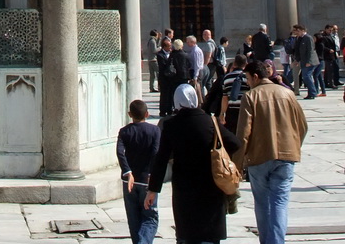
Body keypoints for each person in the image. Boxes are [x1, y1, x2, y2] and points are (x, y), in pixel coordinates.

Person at [145, 83, 240, 244]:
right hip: (211, 185)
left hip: (185, 188)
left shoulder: (171, 125)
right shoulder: (211, 121)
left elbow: (161, 160)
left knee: (188, 235)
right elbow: (235, 143)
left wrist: (153, 190)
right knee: (210, 235)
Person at [234, 59, 308, 244]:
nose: (247, 82)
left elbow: (243, 134)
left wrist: (237, 163)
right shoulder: (287, 93)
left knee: (262, 202)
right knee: (280, 202)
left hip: (259, 157)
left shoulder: (250, 97)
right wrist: (293, 146)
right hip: (286, 156)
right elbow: (303, 126)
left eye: (248, 79)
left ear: (256, 77)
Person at [116, 99, 160, 244]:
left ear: (130, 114)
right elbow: (155, 153)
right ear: (147, 114)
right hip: (147, 180)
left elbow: (120, 153)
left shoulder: (124, 132)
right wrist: (151, 174)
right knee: (150, 217)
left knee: (133, 218)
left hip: (129, 180)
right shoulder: (154, 131)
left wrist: (127, 172)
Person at [220, 53, 249, 134]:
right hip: (245, 109)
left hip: (231, 111)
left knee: (232, 134)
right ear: (246, 64)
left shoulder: (227, 77)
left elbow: (225, 97)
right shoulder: (247, 76)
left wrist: (222, 113)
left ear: (234, 64)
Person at [291, 24, 318, 99]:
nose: (296, 32)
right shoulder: (299, 38)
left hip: (309, 61)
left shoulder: (308, 38)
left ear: (302, 30)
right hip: (303, 61)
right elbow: (299, 51)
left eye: (297, 31)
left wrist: (309, 61)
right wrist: (297, 60)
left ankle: (313, 92)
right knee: (306, 76)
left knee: (306, 76)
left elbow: (310, 50)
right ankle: (311, 93)